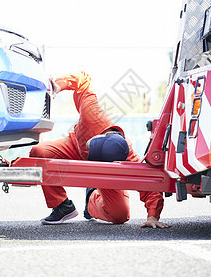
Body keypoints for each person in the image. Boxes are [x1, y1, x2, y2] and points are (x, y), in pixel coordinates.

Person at [29, 71, 170, 229]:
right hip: (74, 147)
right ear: (98, 137)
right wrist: (58, 85)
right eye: (91, 146)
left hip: (106, 172)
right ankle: (62, 206)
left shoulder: (127, 155)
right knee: (39, 153)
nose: (90, 152)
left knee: (120, 216)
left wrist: (153, 216)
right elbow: (82, 80)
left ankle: (91, 197)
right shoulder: (92, 112)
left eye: (92, 152)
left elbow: (148, 183)